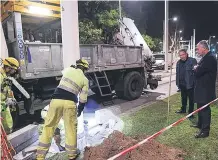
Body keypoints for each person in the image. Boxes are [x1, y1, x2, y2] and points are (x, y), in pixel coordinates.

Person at [36, 59, 89, 160]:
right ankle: (72, 155)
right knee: (71, 129)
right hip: (70, 104)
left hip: (56, 101)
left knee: (48, 127)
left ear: (77, 65)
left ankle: (40, 156)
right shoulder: (85, 79)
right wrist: (79, 110)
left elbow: (65, 72)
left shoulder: (68, 70)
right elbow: (83, 99)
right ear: (85, 69)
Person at [192, 40, 217, 138]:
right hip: (202, 88)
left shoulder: (210, 58)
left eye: (198, 48)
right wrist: (197, 68)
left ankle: (205, 131)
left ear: (204, 48)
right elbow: (199, 69)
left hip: (205, 89)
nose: (197, 50)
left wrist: (196, 68)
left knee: (205, 109)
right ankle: (200, 124)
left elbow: (198, 72)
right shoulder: (206, 57)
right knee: (200, 107)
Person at [176, 49, 197, 117]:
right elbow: (177, 73)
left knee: (191, 99)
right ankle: (183, 109)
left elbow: (196, 72)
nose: (182, 56)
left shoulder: (192, 60)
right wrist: (178, 83)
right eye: (180, 55)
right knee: (183, 98)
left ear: (186, 54)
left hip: (190, 84)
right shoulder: (178, 62)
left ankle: (190, 113)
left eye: (183, 54)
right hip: (182, 84)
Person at [0, 57, 19, 134]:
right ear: (8, 67)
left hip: (4, 105)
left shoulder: (5, 76)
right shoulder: (0, 76)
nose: (14, 72)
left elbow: (6, 90)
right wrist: (5, 103)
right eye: (13, 70)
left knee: (7, 122)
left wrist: (12, 98)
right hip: (2, 106)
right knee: (5, 123)